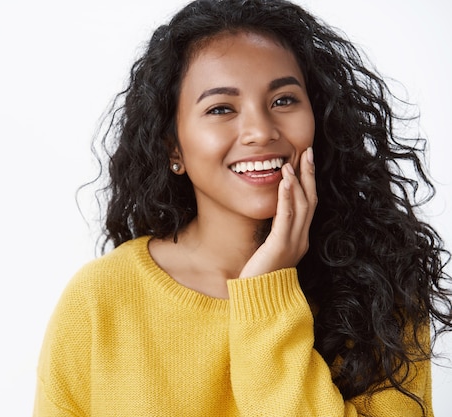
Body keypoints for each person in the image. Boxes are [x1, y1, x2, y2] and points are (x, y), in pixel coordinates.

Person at [34, 0, 452, 415]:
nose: (259, 131)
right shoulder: (99, 300)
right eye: (220, 109)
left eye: (284, 100)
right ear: (172, 147)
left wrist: (268, 292)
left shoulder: (381, 289)